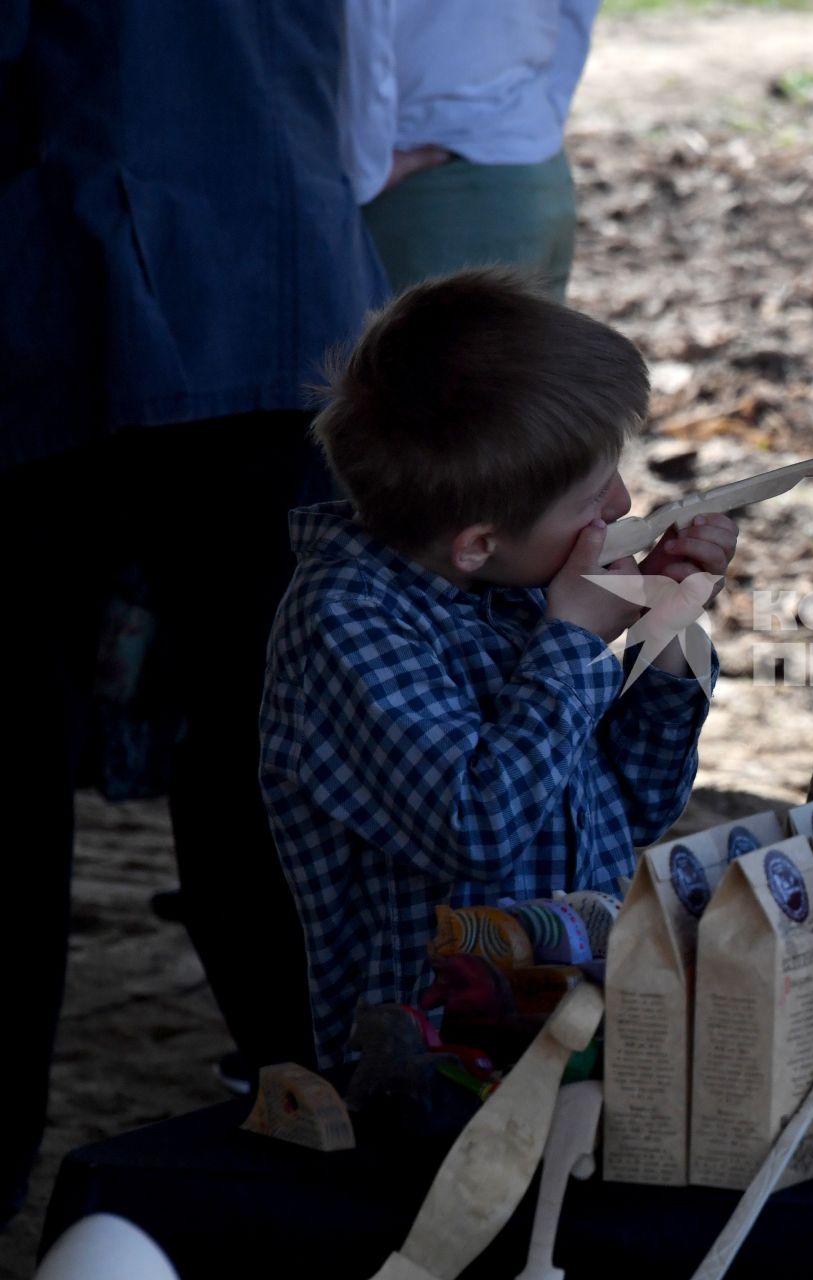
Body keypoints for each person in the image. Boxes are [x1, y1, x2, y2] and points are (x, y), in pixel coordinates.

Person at [0, 0, 385, 1222]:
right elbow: (366, 93)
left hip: (54, 294)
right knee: (277, 745)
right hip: (265, 277)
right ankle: (336, 1128)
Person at [262, 269, 735, 1068]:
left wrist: (666, 636)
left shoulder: (514, 582)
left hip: (573, 1022)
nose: (621, 504)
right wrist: (577, 641)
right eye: (591, 493)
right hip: (442, 1065)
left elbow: (631, 808)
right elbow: (479, 831)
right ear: (477, 540)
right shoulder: (346, 623)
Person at [341, 0, 602, 296]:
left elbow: (364, 26)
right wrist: (537, 119)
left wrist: (363, 167)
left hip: (429, 187)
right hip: (533, 174)